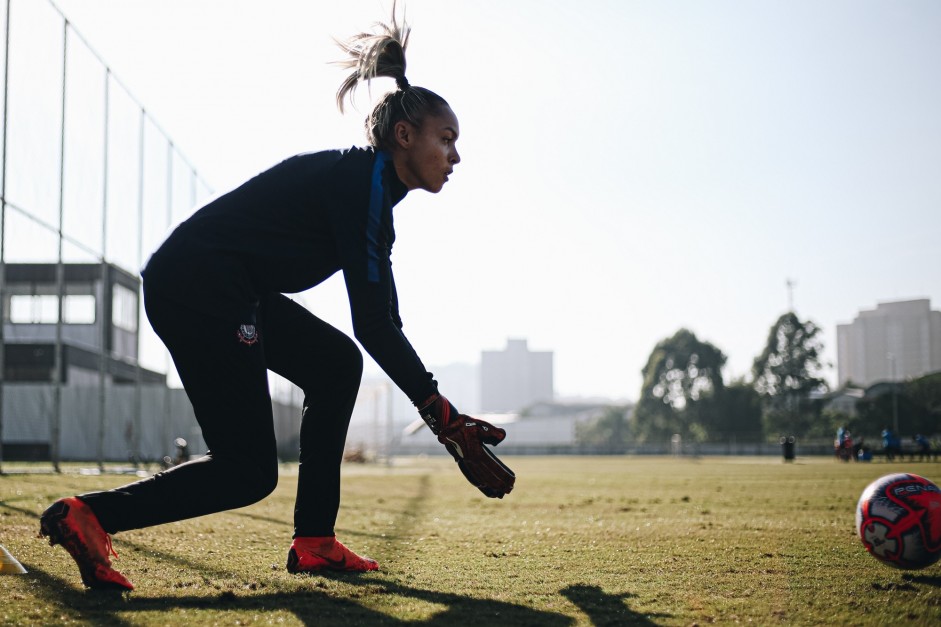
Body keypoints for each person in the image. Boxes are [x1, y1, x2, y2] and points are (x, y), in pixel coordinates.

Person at [38, 6, 514, 591]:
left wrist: (440, 412)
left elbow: (380, 319)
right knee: (248, 470)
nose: (456, 157)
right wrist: (441, 415)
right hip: (202, 287)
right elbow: (374, 322)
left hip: (221, 287)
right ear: (404, 136)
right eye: (447, 140)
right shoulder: (359, 186)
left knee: (336, 365)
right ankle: (89, 515)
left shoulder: (371, 200)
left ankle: (315, 541)